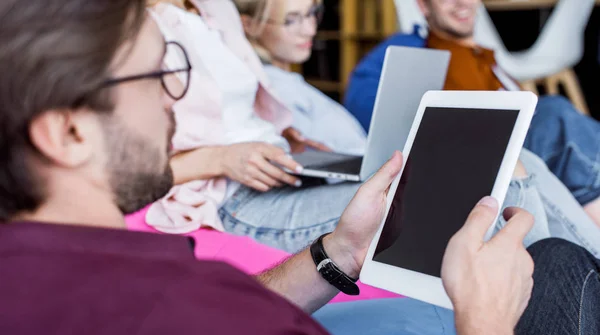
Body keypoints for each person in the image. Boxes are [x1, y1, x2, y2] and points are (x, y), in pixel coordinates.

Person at [3, 1, 600, 335]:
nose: (172, 102)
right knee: (558, 267)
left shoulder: (57, 280)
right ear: (68, 132)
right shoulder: (173, 327)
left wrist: (336, 252)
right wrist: (486, 325)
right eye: (156, 76)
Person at [144, 0, 550, 254]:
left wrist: (287, 137)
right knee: (461, 199)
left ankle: (581, 278)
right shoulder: (135, 31)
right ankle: (565, 302)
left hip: (286, 171)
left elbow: (234, 110)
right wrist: (222, 158)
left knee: (516, 159)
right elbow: (113, 171)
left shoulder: (211, 9)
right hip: (234, 198)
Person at [230, 0, 600, 257]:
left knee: (540, 144)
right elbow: (365, 108)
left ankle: (584, 269)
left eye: (312, 14)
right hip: (393, 159)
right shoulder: (262, 83)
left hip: (379, 157)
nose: (309, 27)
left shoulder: (478, 54)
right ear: (424, 8)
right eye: (292, 19)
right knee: (551, 121)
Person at [344, 0, 600, 227]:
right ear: (424, 7)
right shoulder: (416, 46)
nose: (462, 3)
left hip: (524, 149)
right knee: (554, 114)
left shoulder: (483, 54)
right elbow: (363, 98)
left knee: (562, 125)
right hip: (482, 152)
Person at [235, 0, 367, 155]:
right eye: (290, 21)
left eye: (311, 13)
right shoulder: (269, 90)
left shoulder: (286, 81)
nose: (310, 30)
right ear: (249, 25)